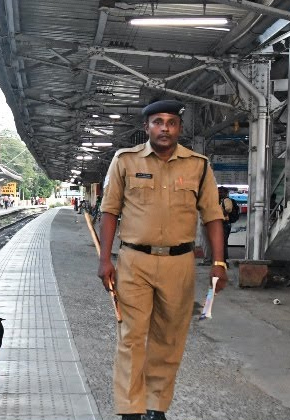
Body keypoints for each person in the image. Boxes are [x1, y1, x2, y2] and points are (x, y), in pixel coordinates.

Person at [97, 100, 228, 420]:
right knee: (131, 336)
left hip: (179, 263)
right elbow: (109, 211)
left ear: (180, 128)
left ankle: (156, 408)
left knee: (168, 338)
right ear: (147, 128)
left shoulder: (198, 166)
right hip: (134, 261)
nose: (165, 127)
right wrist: (104, 259)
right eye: (158, 121)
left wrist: (219, 263)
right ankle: (130, 410)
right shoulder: (125, 161)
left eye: (171, 122)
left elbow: (213, 216)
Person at [218, 186, 233, 265]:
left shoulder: (226, 200)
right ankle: (223, 260)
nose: (219, 193)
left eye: (220, 192)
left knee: (223, 242)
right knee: (222, 242)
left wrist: (221, 214)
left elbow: (228, 209)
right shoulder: (221, 201)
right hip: (223, 224)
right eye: (218, 192)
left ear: (225, 193)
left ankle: (224, 261)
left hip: (225, 224)